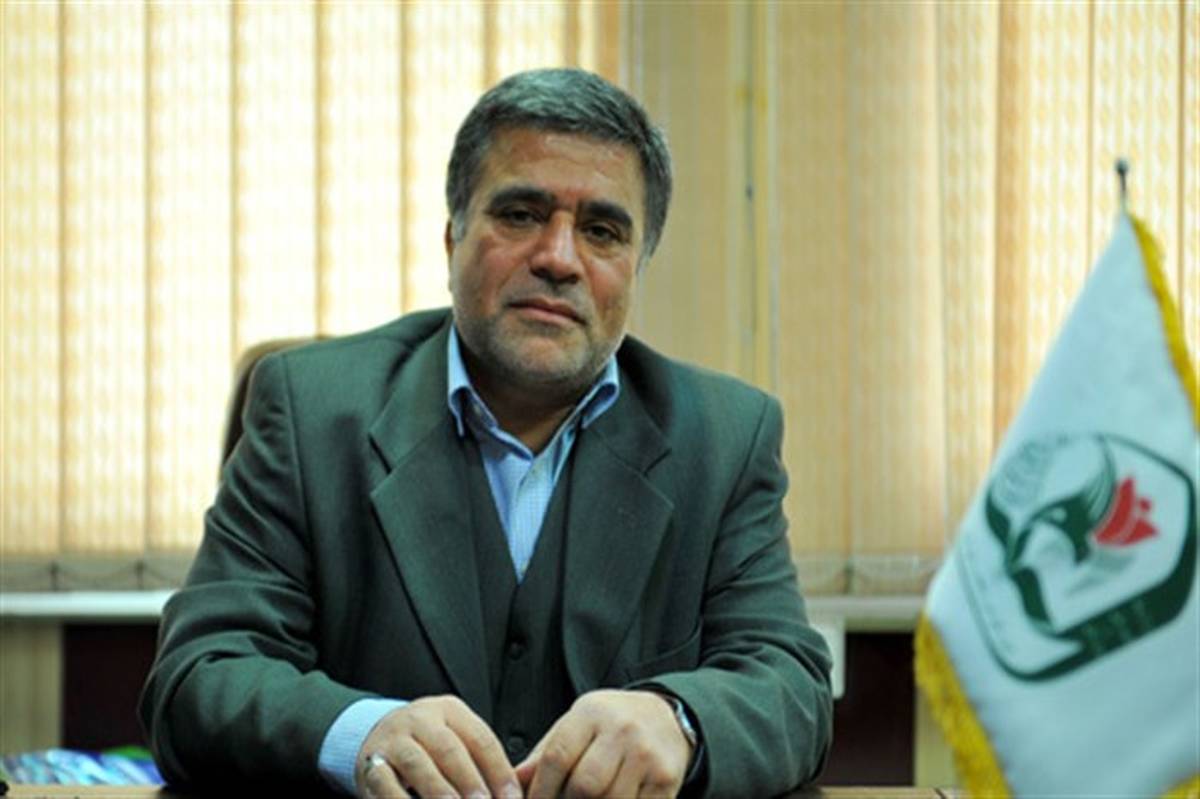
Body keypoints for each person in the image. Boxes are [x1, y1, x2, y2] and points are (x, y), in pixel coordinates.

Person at [139, 67, 833, 799]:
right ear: (453, 239)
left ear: (637, 268)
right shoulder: (309, 410)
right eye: (521, 214)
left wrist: (681, 721)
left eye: (601, 231)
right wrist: (358, 732)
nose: (558, 258)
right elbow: (198, 678)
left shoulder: (723, 437)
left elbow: (790, 685)